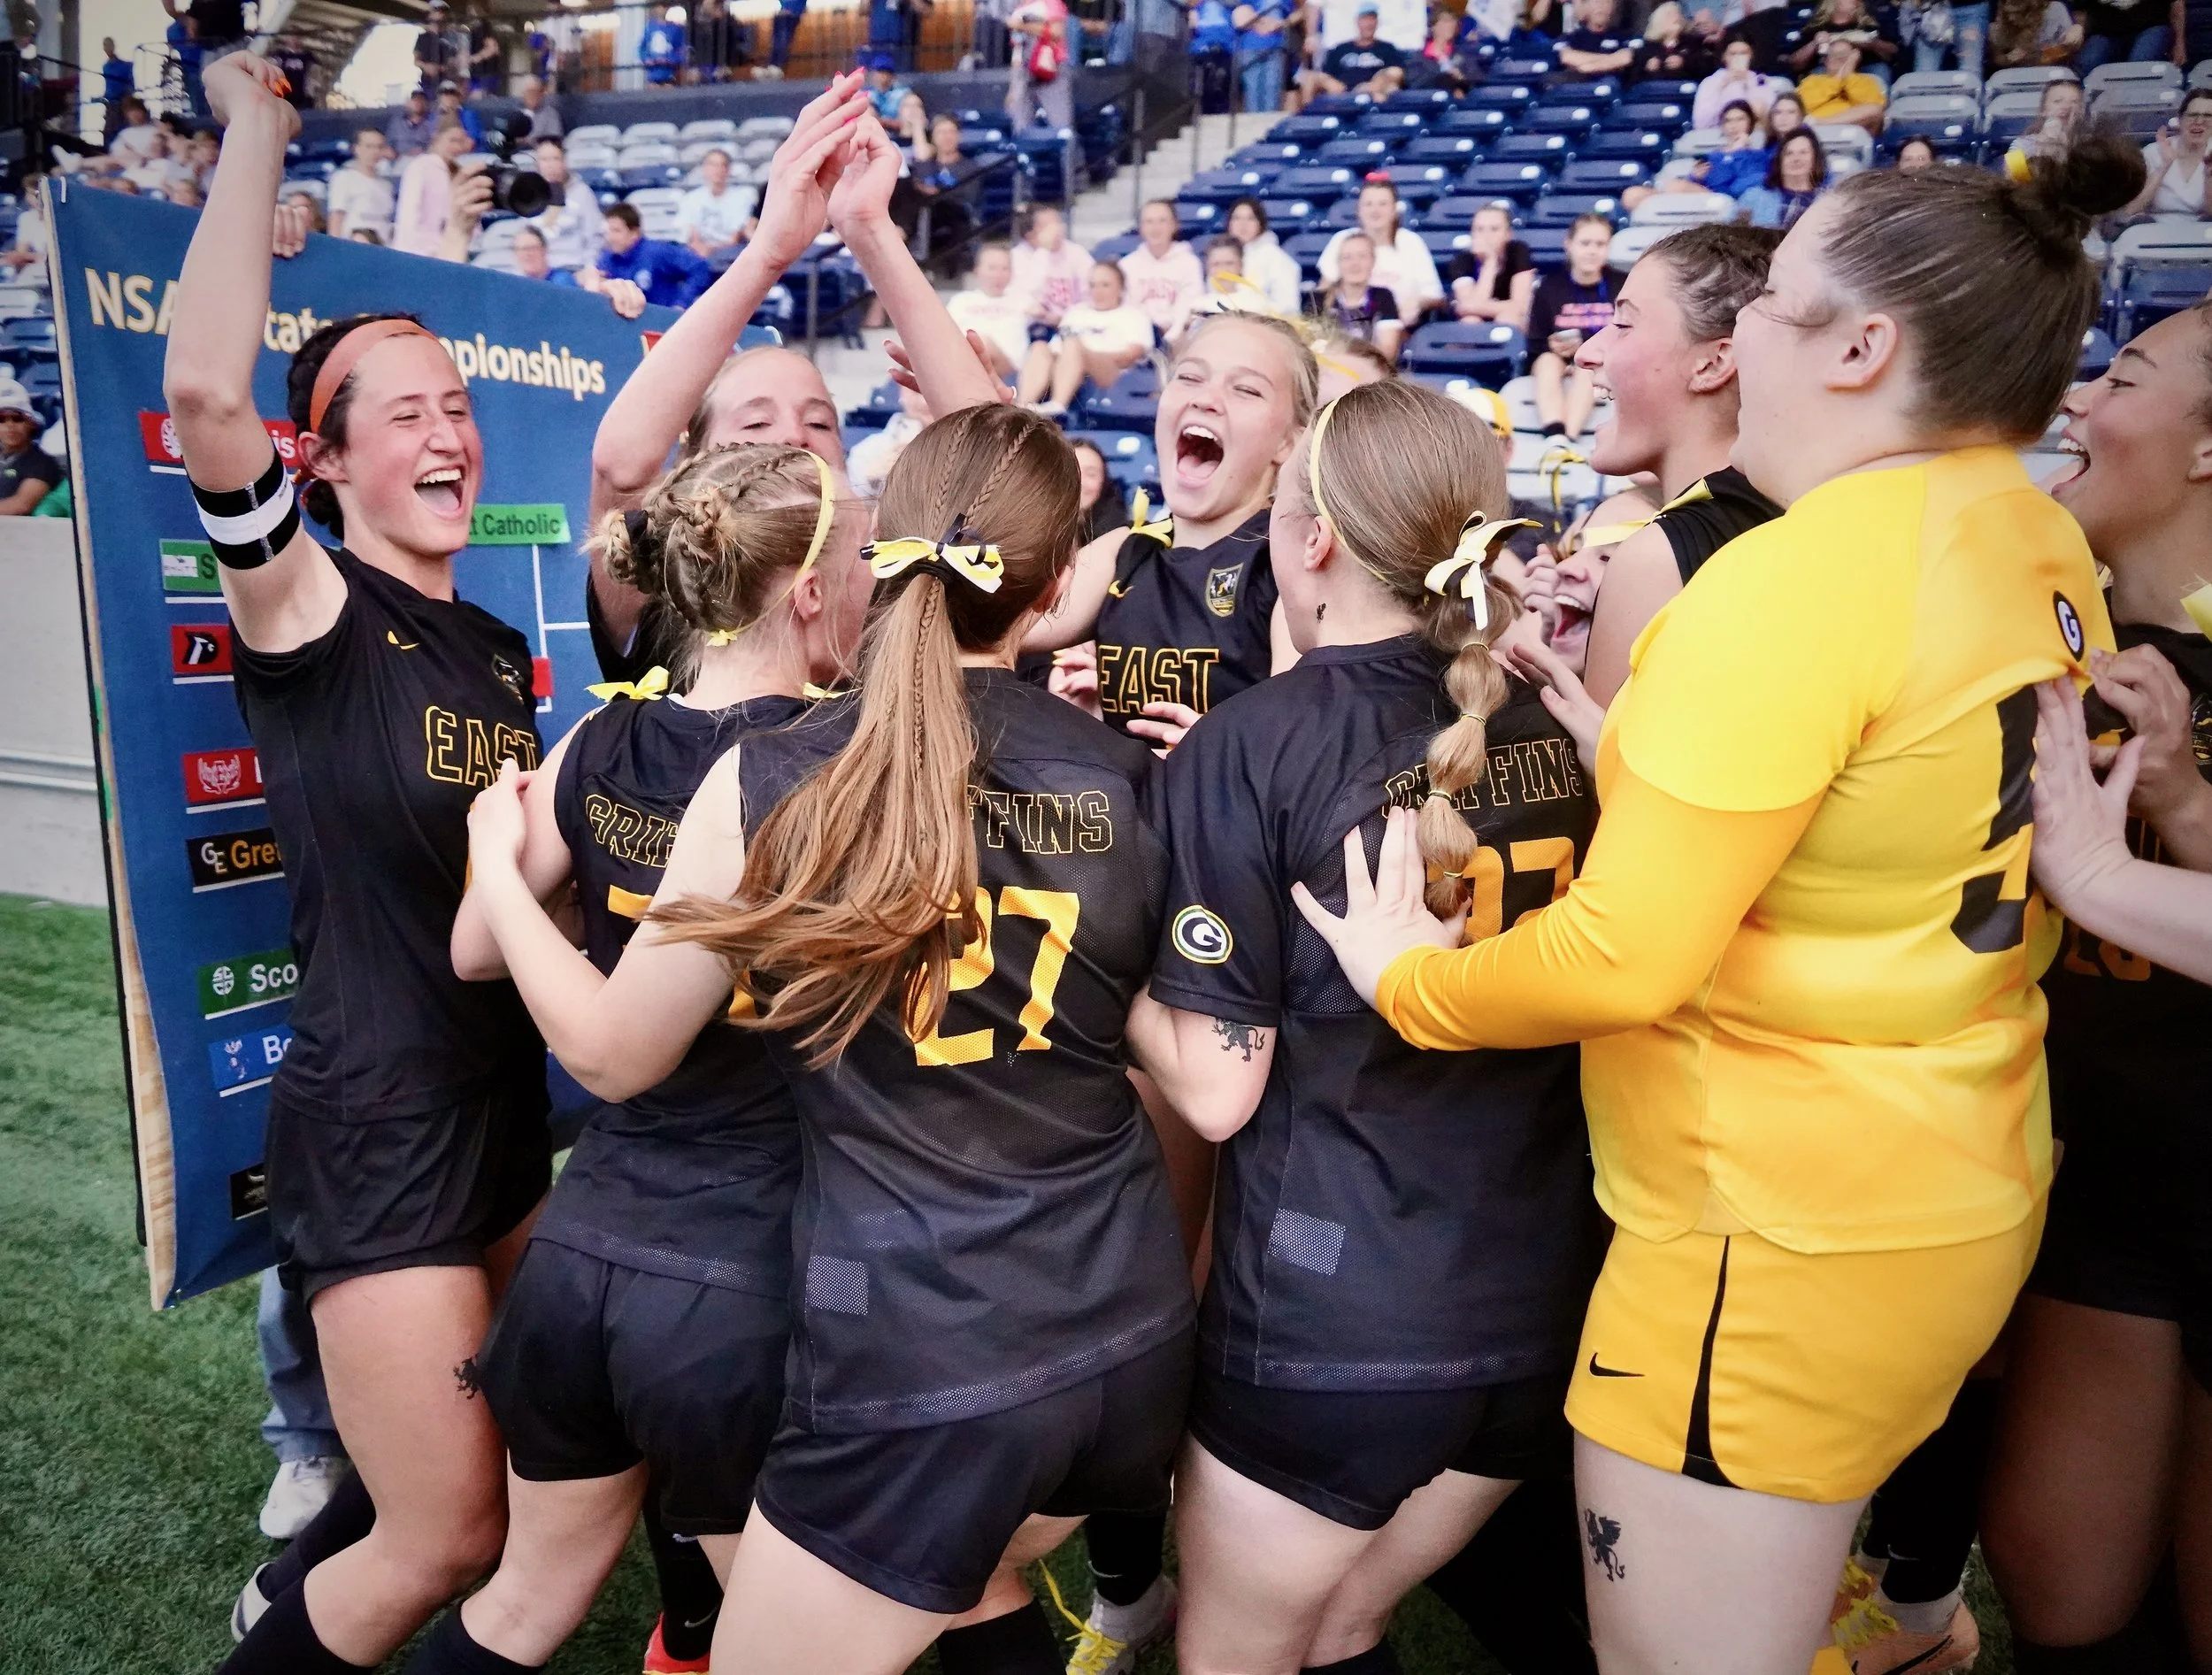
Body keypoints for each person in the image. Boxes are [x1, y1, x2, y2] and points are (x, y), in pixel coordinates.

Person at [1291, 132, 2144, 1675]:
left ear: (1865, 345)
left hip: (1774, 1227)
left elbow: (1624, 955)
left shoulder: (1791, 580)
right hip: (1948, 1168)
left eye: (1775, 296)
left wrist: (1410, 979)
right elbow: (1869, 812)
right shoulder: (2038, 531)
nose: (1739, 323)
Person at [465, 344, 1192, 1675]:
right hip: (1125, 1329)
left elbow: (617, 1053)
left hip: (924, 1335)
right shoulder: (1134, 776)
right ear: (1055, 581)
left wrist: (491, 878)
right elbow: (1207, 1080)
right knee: (972, 1600)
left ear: (878, 563)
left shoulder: (784, 770)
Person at [170, 52, 554, 1675]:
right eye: (404, 412)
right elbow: (203, 394)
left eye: (457, 403)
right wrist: (259, 121)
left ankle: (295, 1586)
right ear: (320, 465)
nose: (447, 428)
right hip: (380, 1123)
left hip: (504, 1112)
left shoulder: (487, 642)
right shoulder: (312, 612)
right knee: (451, 1537)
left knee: (538, 1450)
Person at [1130, 373, 1606, 1675]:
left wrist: (1097, 964)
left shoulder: (1253, 745)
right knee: (1344, 1626)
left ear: (1313, 536)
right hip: (1545, 1292)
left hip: (1338, 1315)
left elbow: (1219, 1094)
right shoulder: (1560, 719)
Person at [405, 443, 872, 1675]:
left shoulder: (603, 743)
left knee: (520, 1608)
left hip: (580, 1258)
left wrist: (501, 871)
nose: (879, 578)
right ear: (810, 589)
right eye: (864, 556)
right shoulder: (826, 762)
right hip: (740, 1280)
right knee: (784, 1649)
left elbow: (473, 945)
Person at [1978, 305, 2212, 1675]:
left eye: (2121, 375)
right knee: (2060, 1588)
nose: (2075, 399)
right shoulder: (2036, 635)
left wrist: (2178, 796)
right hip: (2098, 1177)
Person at [584, 74, 866, 693]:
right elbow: (620, 471)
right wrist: (768, 250)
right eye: (756, 424)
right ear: (693, 462)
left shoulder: (887, 595)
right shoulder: (660, 584)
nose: (794, 435)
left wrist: (870, 232)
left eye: (821, 422)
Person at [1523, 224, 1781, 723]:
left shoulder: (1657, 560)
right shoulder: (1802, 506)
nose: (1588, 352)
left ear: (1713, 363)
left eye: (1623, 324)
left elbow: (1614, 795)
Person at [1017, 257, 1155, 411]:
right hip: (1068, 366)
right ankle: (1022, 406)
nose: (1098, 291)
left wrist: (1085, 356)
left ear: (1121, 288)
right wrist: (1072, 360)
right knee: (1039, 346)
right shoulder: (1076, 313)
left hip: (1113, 372)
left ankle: (1058, 404)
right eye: (1093, 285)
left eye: (1105, 285)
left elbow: (1131, 355)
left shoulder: (1135, 316)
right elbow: (1055, 350)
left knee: (1073, 343)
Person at [1528, 213, 1616, 445]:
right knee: (1546, 362)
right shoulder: (1549, 286)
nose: (1592, 251)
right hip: (1559, 359)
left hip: (1604, 361)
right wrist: (1553, 345)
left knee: (1586, 368)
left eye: (1600, 244)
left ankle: (1568, 437)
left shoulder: (1622, 283)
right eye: (1585, 243)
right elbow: (1535, 341)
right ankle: (1554, 432)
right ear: (1569, 245)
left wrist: (1584, 346)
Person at [1317, 176, 1445, 321]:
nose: (1375, 210)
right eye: (1369, 204)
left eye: (1383, 204)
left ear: (1394, 210)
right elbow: (1324, 290)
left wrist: (1416, 303)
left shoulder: (1411, 242)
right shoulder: (1342, 239)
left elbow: (1435, 296)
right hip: (1348, 324)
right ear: (1359, 210)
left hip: (1400, 324)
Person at [592, 203, 713, 310]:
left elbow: (699, 266)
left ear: (634, 233)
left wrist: (681, 304)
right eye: (608, 231)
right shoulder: (607, 258)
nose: (610, 237)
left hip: (663, 323)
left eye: (616, 231)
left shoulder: (657, 252)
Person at [509, 224, 648, 316]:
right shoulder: (515, 288)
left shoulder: (561, 280)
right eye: (521, 249)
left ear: (544, 250)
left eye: (532, 248)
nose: (527, 254)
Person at [1120, 199, 1206, 344]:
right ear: (1140, 227)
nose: (1155, 228)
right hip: (1137, 339)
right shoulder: (1126, 265)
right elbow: (1127, 310)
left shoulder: (1189, 263)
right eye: (1149, 222)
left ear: (1174, 226)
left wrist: (1169, 338)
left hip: (1179, 339)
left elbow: (1189, 307)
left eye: (1162, 221)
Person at [946, 241, 1034, 380]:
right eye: (992, 268)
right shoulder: (960, 301)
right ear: (978, 271)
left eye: (1004, 269)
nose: (998, 275)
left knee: (980, 342)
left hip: (1007, 365)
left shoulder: (1023, 300)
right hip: (965, 360)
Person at [1311, 231, 1402, 360]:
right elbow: (1312, 349)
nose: (1355, 263)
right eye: (1347, 257)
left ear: (1373, 261)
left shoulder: (1384, 297)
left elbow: (1388, 352)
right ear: (1338, 263)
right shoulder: (1317, 300)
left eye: (1362, 256)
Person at [1447, 204, 1537, 334]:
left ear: (1508, 234)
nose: (1486, 235)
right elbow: (1468, 307)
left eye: (1494, 229)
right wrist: (1490, 263)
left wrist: (1478, 307)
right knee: (1470, 321)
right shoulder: (1463, 260)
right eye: (1479, 229)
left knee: (1507, 320)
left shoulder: (1519, 251)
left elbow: (1521, 307)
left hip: (1513, 319)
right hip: (1479, 319)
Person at [393, 119, 473, 257]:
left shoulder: (461, 173)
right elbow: (409, 214)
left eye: (461, 142)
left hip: (451, 251)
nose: (457, 147)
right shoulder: (420, 166)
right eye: (452, 141)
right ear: (437, 139)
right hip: (419, 253)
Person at [2125, 92, 2212, 219]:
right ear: (2180, 120)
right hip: (2154, 232)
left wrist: (2208, 179)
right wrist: (2163, 167)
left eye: (2208, 116)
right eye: (2192, 115)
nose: (2199, 122)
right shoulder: (2152, 152)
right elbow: (2130, 210)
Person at [1010, 204, 1093, 328]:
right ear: (1029, 232)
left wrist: (1068, 318)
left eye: (1058, 223)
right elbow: (1021, 295)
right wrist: (1044, 250)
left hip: (1073, 323)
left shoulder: (1076, 252)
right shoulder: (1016, 257)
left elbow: (1091, 292)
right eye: (1049, 226)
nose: (1058, 229)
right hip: (1033, 325)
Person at [526, 135, 601, 273]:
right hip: (539, 274)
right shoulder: (528, 195)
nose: (550, 165)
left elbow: (595, 238)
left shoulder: (583, 193)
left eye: (555, 159)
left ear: (564, 162)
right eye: (544, 160)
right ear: (537, 164)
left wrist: (590, 271)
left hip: (574, 270)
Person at [1302, 0, 1406, 96]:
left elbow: (1397, 73)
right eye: (1365, 20)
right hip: (1342, 95)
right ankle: (1305, 115)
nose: (1368, 24)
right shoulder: (1340, 49)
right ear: (1357, 22)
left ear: (1377, 23)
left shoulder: (1387, 48)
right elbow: (1326, 74)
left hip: (1374, 94)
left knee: (1392, 84)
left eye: (1372, 20)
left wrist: (1373, 84)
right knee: (1310, 78)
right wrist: (1333, 85)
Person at [1737, 128, 1830, 229]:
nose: (1796, 158)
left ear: (1815, 159)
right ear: (1779, 161)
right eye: (1789, 153)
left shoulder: (1829, 202)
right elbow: (1736, 235)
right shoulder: (1753, 198)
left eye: (1803, 152)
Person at [1225, 199, 1302, 317]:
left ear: (1261, 223)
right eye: (1237, 218)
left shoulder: (1275, 257)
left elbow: (1288, 306)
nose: (1243, 224)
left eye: (1250, 218)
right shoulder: (1222, 256)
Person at [1797, 35, 1887, 135]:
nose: (1839, 58)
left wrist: (1848, 76)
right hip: (1815, 134)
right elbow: (1803, 106)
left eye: (1844, 55)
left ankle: (1816, 123)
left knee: (1875, 110)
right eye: (1834, 54)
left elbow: (1874, 109)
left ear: (1854, 60)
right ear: (1826, 60)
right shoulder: (1811, 80)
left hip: (1854, 132)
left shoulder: (1867, 81)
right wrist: (1838, 79)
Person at [676, 148, 756, 259]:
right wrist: (701, 249)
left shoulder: (741, 198)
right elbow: (692, 235)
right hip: (699, 252)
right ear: (705, 169)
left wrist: (711, 249)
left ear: (728, 170)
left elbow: (735, 238)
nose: (718, 170)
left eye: (722, 165)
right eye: (713, 165)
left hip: (731, 253)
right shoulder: (691, 199)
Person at [1693, 36, 1790, 128]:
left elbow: (1770, 116)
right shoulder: (1710, 82)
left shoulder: (1761, 80)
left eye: (1743, 53)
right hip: (1717, 135)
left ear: (1751, 56)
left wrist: (1748, 86)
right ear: (1724, 56)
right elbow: (1701, 123)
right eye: (1733, 54)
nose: (1738, 58)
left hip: (1756, 134)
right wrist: (1722, 86)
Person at [1786, 0, 1901, 74]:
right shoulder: (1817, 28)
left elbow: (1895, 52)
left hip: (1867, 69)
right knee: (1816, 76)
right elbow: (1795, 63)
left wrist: (1872, 44)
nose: (1857, 2)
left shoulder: (1870, 24)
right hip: (1827, 70)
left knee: (1880, 70)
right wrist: (1815, 44)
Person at [0, 377, 61, 514]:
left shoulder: (42, 463)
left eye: (18, 418)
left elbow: (21, 506)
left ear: (31, 424)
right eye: (1, 419)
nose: (10, 426)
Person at [325, 128, 393, 245]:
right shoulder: (344, 178)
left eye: (379, 147)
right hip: (355, 244)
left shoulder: (387, 186)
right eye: (369, 147)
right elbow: (336, 217)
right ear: (356, 149)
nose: (375, 152)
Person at [1634, 3, 1724, 81]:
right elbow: (1632, 80)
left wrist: (1685, 63)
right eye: (1669, 14)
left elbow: (1709, 68)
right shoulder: (1648, 47)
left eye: (1678, 13)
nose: (1676, 17)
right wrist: (1647, 68)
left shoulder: (1694, 42)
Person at [1071, 434, 1133, 542]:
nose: (1080, 482)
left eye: (1091, 474)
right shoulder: (1035, 531)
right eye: (1071, 471)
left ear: (1104, 482)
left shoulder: (1120, 538)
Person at [2076, 0, 2170, 67]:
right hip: (2104, 31)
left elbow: (2177, 3)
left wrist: (2179, 45)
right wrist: (2080, 33)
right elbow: (2079, 9)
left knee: (2140, 64)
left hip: (2150, 26)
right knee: (2088, 62)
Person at [1236, 0, 1293, 111]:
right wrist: (1261, 22)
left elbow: (1298, 12)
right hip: (1249, 48)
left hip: (1276, 48)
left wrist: (1281, 24)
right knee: (1252, 96)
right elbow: (1238, 15)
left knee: (1272, 95)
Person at [2011, 77, 2085, 162]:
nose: (2066, 106)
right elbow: (2013, 174)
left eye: (2074, 101)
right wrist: (2044, 148)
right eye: (2057, 101)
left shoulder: (2090, 145)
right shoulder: (2020, 144)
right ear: (2043, 110)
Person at [1558, 0, 1637, 75]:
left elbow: (1626, 58)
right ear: (1586, 6)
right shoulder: (1572, 37)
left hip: (1610, 83)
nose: (1601, 6)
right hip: (1578, 83)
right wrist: (1612, 59)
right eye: (1596, 1)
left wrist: (1587, 67)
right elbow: (1567, 57)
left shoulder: (1625, 36)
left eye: (1607, 1)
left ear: (1613, 6)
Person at [1989, 0, 2084, 61]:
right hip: (2018, 76)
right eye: (2009, 14)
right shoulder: (1999, 27)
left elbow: (2069, 50)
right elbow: (1998, 60)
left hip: (2055, 71)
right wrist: (2009, 58)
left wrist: (2076, 31)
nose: (2011, 18)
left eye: (2019, 13)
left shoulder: (2055, 11)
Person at [414, 0, 464, 91]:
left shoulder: (451, 37)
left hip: (448, 82)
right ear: (430, 14)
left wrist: (440, 68)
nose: (440, 15)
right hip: (427, 83)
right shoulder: (422, 37)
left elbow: (457, 59)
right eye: (437, 12)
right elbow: (416, 60)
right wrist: (426, 66)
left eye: (442, 12)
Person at [641, 3, 687, 82]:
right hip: (652, 75)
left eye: (665, 6)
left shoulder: (676, 29)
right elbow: (642, 48)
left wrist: (669, 60)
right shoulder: (649, 28)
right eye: (660, 6)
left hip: (670, 75)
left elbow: (681, 51)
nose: (662, 9)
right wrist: (647, 59)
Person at [99, 35, 133, 143]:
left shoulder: (126, 66)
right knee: (109, 132)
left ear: (113, 46)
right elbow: (108, 85)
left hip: (123, 102)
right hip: (111, 103)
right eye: (105, 45)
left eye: (108, 45)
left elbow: (131, 84)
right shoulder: (105, 67)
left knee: (122, 129)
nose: (107, 48)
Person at [386, 85, 436, 157]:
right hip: (398, 159)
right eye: (415, 100)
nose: (418, 103)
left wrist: (424, 151)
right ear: (408, 103)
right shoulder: (396, 123)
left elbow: (436, 145)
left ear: (426, 104)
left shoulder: (432, 123)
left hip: (422, 159)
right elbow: (387, 143)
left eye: (421, 100)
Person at [517, 72, 561, 141]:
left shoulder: (551, 114)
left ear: (541, 94)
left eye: (535, 91)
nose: (532, 95)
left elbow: (555, 140)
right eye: (529, 92)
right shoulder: (515, 114)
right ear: (523, 95)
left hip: (541, 149)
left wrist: (530, 141)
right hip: (518, 150)